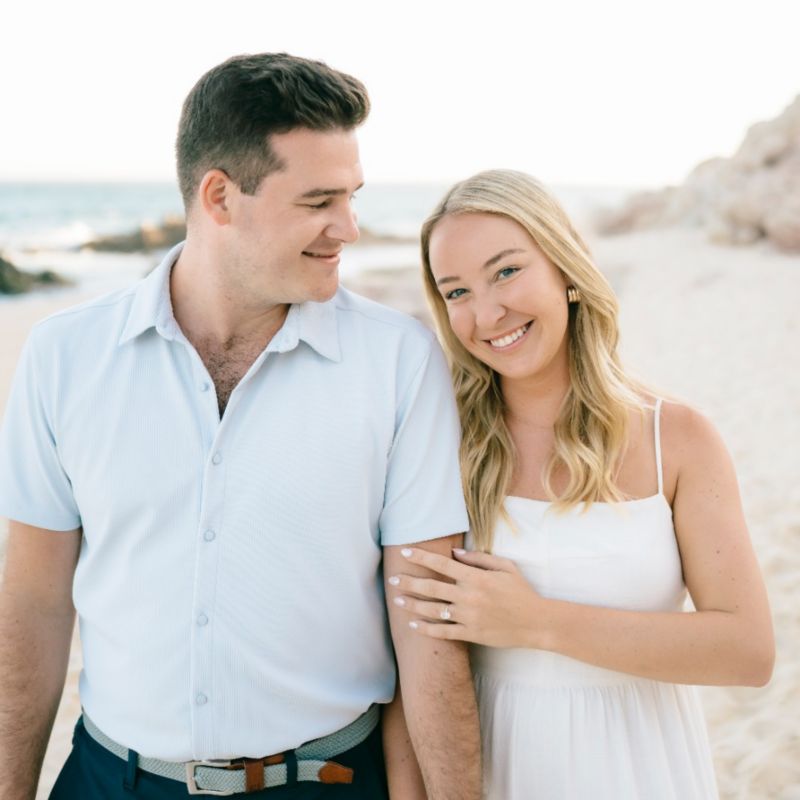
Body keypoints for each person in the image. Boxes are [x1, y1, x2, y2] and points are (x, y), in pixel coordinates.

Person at [0, 53, 481, 799]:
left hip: (328, 782)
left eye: (352, 197)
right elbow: (32, 605)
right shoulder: (64, 356)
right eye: (319, 201)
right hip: (110, 780)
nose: (349, 228)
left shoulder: (399, 361)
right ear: (220, 197)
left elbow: (426, 630)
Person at [388, 169, 775, 799]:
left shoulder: (677, 438)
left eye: (506, 271)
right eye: (456, 291)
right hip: (496, 773)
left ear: (564, 268)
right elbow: (405, 669)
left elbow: (747, 651)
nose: (486, 314)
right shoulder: (437, 442)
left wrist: (537, 623)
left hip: (643, 774)